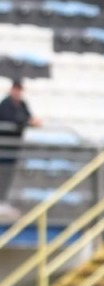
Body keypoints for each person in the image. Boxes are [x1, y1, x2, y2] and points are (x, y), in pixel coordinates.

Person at [0, 79, 41, 212]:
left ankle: (3, 200)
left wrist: (32, 121)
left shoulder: (22, 104)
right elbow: (13, 119)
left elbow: (27, 117)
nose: (17, 92)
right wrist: (28, 122)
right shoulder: (5, 104)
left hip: (14, 147)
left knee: (8, 174)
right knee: (2, 173)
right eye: (16, 89)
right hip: (3, 146)